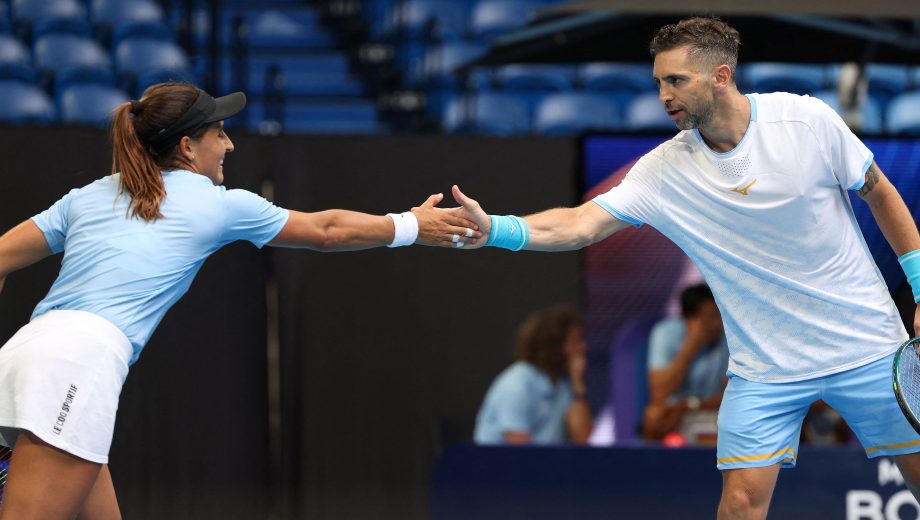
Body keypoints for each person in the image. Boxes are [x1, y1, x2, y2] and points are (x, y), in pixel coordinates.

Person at [447, 16, 920, 519]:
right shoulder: (663, 170)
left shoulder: (806, 120)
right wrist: (494, 228)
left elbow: (880, 193)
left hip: (867, 347)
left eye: (676, 80)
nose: (663, 96)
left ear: (721, 76)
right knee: (739, 504)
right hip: (766, 371)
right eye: (658, 83)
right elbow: (581, 224)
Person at [0, 82, 481, 519]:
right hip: (78, 365)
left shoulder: (86, 197)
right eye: (220, 133)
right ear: (188, 147)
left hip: (20, 357)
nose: (229, 144)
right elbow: (326, 230)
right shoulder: (217, 203)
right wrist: (411, 225)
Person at [473, 306, 592, 445]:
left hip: (542, 459)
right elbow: (520, 452)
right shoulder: (517, 385)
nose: (583, 347)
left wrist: (578, 386)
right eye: (575, 341)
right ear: (554, 347)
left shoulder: (563, 386)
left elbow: (583, 441)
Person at [643, 283, 728, 444]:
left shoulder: (728, 337)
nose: (717, 324)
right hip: (673, 411)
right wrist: (691, 345)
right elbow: (659, 393)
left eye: (720, 315)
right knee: (653, 415)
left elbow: (732, 393)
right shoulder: (665, 332)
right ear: (689, 320)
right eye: (711, 317)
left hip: (710, 408)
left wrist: (690, 405)